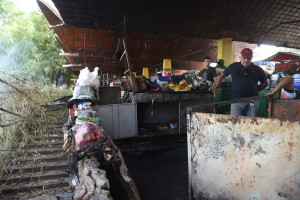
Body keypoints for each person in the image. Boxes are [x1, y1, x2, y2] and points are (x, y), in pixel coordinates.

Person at [213, 48, 268, 116]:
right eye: (244, 58)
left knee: (250, 123)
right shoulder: (233, 66)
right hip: (236, 101)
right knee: (235, 122)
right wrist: (216, 87)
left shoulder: (257, 69)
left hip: (253, 101)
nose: (246, 60)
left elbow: (265, 83)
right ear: (240, 57)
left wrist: (256, 89)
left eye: (248, 58)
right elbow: (221, 76)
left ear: (251, 58)